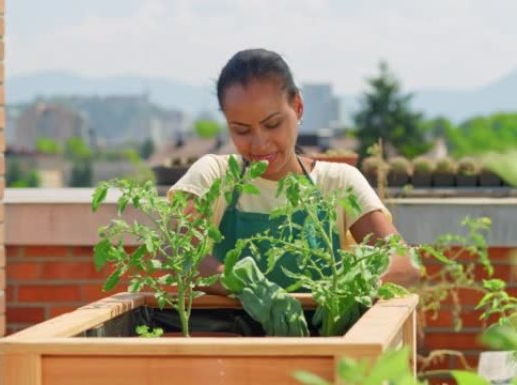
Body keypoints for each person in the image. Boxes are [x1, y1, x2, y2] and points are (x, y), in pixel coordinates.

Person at [169, 48, 419, 295]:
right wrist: (247, 286)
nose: (259, 143)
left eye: (272, 124)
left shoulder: (338, 183)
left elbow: (404, 265)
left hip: (326, 337)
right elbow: (179, 251)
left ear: (297, 107)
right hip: (233, 335)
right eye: (241, 130)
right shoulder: (215, 176)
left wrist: (350, 290)